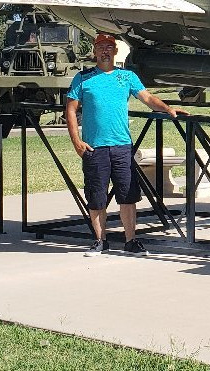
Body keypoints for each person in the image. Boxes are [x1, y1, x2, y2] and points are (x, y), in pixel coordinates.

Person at [66, 33, 187, 256]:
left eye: (109, 47)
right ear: (94, 51)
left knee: (128, 195)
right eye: (101, 47)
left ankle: (131, 241)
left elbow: (148, 99)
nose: (105, 51)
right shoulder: (82, 78)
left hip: (122, 146)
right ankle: (100, 241)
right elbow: (71, 109)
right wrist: (76, 142)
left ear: (115, 51)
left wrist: (168, 109)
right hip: (94, 147)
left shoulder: (126, 76)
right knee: (96, 196)